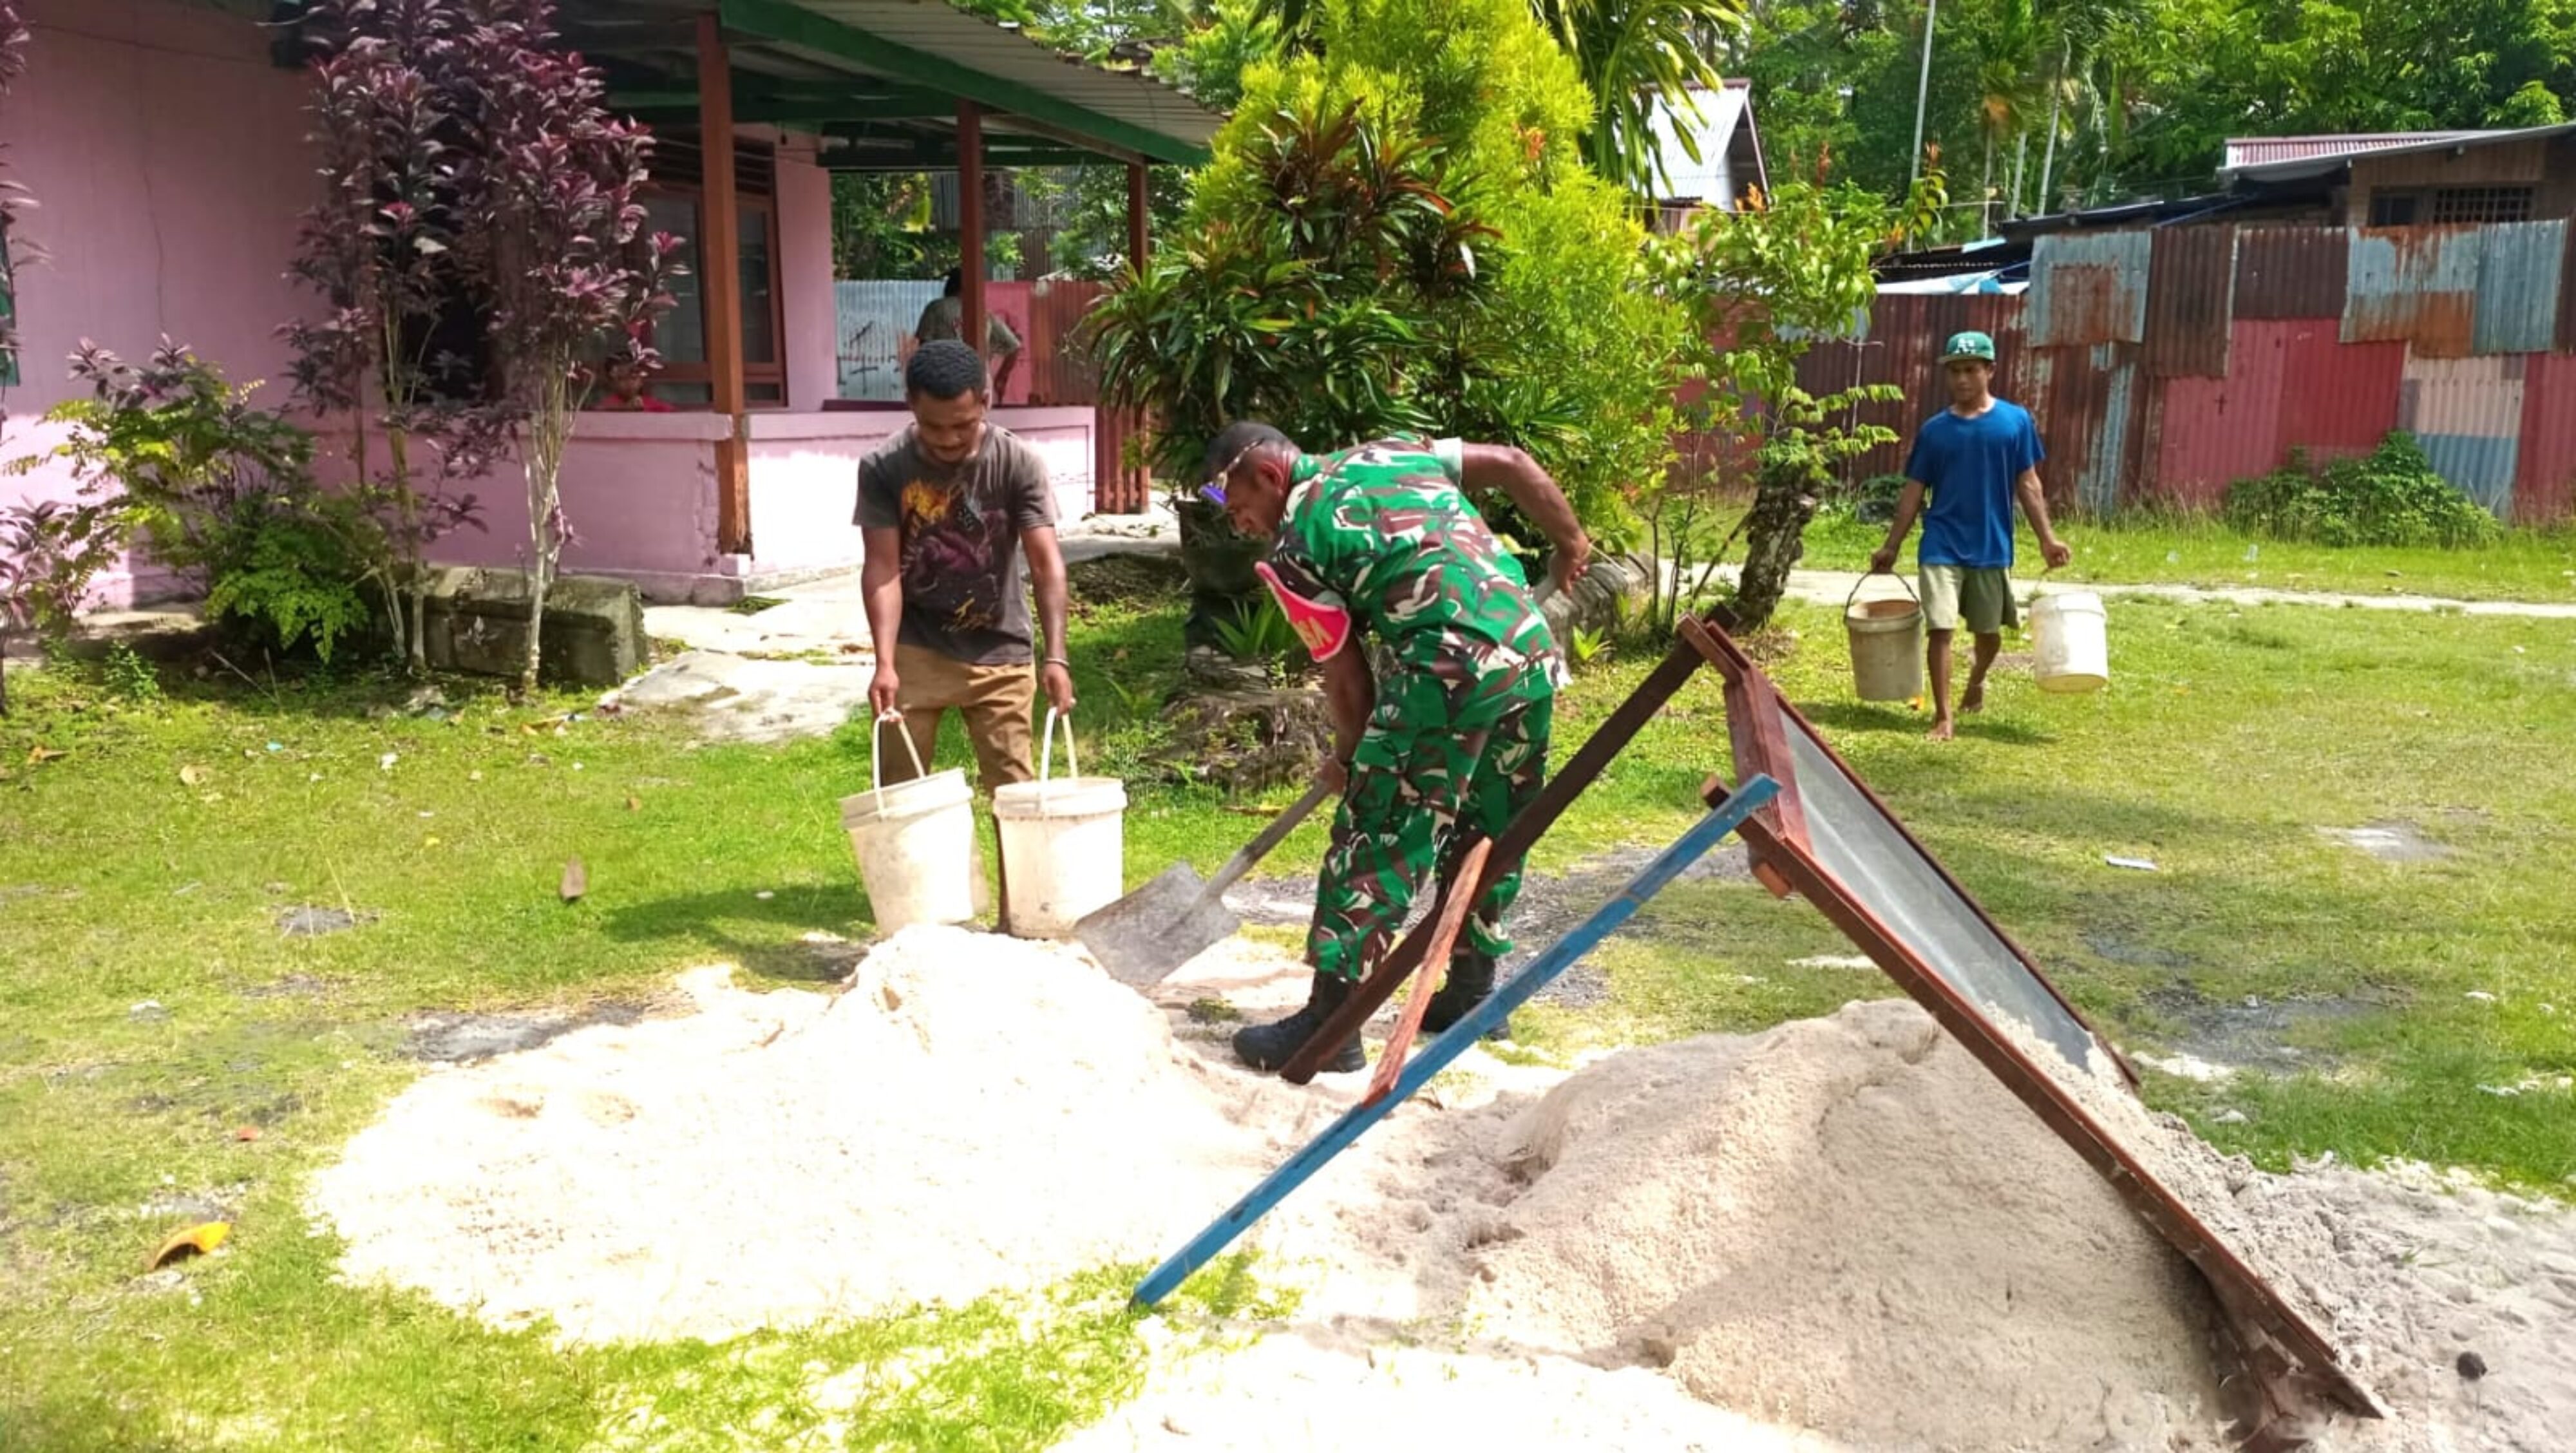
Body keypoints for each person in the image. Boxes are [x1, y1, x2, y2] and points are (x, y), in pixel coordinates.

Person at [1200, 423, 1592, 1074]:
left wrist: (1353, 759)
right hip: (1527, 654)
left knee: (1376, 832)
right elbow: (1513, 463)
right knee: (1490, 827)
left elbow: (1348, 680)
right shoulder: (1391, 452)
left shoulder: (1296, 549)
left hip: (1447, 669)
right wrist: (1570, 542)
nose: (1239, 526)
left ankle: (1332, 1025)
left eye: (1236, 507)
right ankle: (1470, 995)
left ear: (1269, 477)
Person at [857, 339, 1074, 796]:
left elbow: (1046, 562)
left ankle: (1019, 873)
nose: (950, 439)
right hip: (916, 650)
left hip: (1001, 650)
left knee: (1015, 795)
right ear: (910, 404)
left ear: (986, 402)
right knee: (901, 794)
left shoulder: (1017, 463)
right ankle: (914, 873)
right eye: (934, 427)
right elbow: (882, 569)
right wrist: (885, 663)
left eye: (964, 424)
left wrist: (1055, 656)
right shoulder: (883, 467)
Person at [1869, 330, 2072, 741]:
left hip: (1991, 543)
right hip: (1941, 541)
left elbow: (2029, 484)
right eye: (1955, 371)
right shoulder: (1935, 431)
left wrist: (2047, 539)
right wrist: (1892, 545)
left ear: (1989, 371)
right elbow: (1913, 492)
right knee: (1940, 627)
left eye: (1970, 370)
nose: (1962, 379)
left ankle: (1976, 680)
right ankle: (1944, 717)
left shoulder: (2015, 422)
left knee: (1989, 635)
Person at [913, 268, 1022, 401]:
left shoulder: (937, 308)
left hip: (943, 382)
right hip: (978, 381)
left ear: (950, 286)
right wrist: (1001, 377)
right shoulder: (983, 314)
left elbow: (924, 347)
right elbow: (1015, 346)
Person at [592, 356, 674, 413]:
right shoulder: (607, 405)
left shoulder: (651, 404)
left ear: (641, 382)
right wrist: (625, 409)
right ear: (613, 383)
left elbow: (673, 413)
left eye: (634, 378)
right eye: (622, 379)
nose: (629, 383)